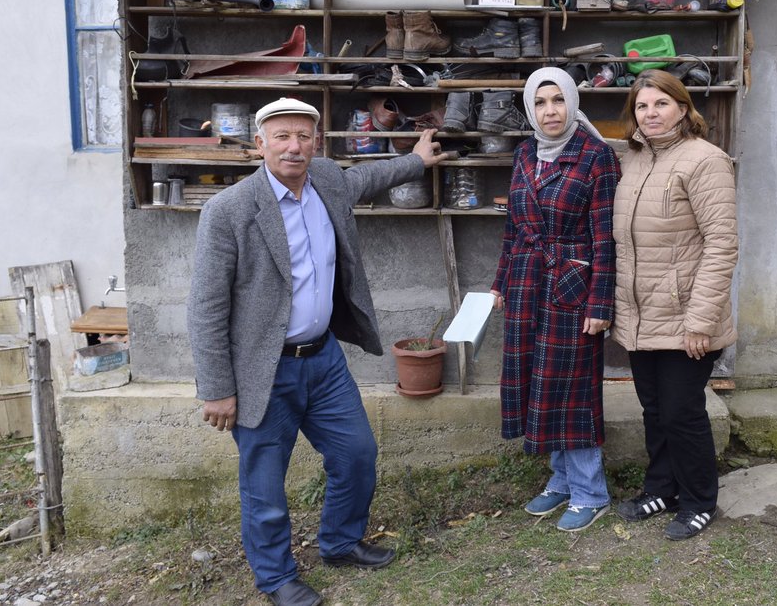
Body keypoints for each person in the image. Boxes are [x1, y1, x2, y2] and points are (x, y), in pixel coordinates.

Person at [188, 97, 447, 606]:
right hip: (263, 371)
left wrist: (416, 160)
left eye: (304, 136)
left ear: (317, 142)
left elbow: (366, 178)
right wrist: (217, 389)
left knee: (356, 454)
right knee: (264, 485)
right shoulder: (229, 211)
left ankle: (341, 542)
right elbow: (205, 308)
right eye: (282, 136)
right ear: (260, 143)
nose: (294, 146)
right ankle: (276, 578)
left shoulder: (326, 180)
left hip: (323, 360)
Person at [490, 67, 620, 532]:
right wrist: (500, 282)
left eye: (558, 100)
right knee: (542, 384)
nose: (550, 111)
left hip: (571, 285)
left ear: (572, 103)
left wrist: (600, 305)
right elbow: (514, 228)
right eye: (541, 102)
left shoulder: (597, 156)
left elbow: (605, 238)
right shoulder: (525, 153)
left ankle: (590, 492)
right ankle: (562, 480)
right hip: (527, 281)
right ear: (531, 108)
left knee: (573, 388)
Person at [610, 70, 738, 541]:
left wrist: (701, 320)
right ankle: (662, 489)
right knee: (654, 409)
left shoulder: (705, 160)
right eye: (642, 106)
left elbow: (721, 245)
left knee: (682, 412)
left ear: (683, 108)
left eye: (661, 104)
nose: (651, 114)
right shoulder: (634, 159)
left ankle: (699, 500)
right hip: (641, 314)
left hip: (687, 317)